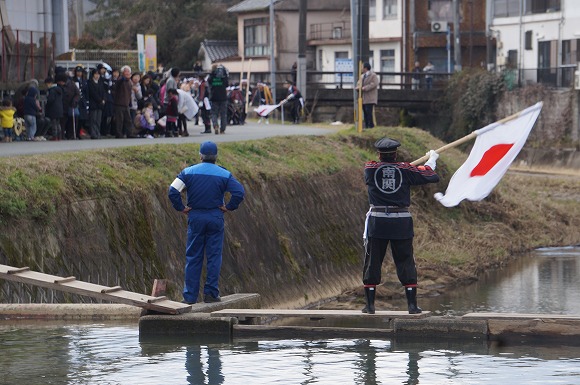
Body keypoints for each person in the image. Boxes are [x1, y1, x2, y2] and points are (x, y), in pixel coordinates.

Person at [362, 137, 440, 315]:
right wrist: (432, 160)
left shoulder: (370, 169)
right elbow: (429, 175)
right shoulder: (405, 169)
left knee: (372, 261)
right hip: (401, 221)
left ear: (379, 154)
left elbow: (381, 168)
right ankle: (412, 306)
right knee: (405, 260)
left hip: (378, 221)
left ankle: (370, 306)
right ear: (395, 153)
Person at [168, 141, 245, 304]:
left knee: (193, 256)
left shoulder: (188, 172)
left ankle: (189, 297)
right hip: (215, 217)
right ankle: (211, 294)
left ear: (200, 156)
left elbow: (173, 191)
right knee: (214, 256)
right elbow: (239, 192)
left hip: (195, 217)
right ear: (216, 157)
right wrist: (229, 207)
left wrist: (181, 207)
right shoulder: (224, 174)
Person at [112, 65, 135, 138]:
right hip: (119, 103)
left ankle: (130, 133)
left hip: (126, 103)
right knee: (120, 120)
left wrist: (130, 103)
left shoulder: (129, 82)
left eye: (128, 71)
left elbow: (129, 93)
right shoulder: (120, 80)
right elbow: (120, 81)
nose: (127, 73)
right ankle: (118, 133)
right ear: (122, 72)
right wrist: (124, 77)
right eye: (126, 71)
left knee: (128, 120)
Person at [208, 63, 229, 134]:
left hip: (214, 97)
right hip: (223, 97)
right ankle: (222, 129)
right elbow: (227, 84)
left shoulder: (211, 75)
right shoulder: (223, 75)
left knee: (214, 113)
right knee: (223, 114)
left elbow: (209, 82)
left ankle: (215, 126)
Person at [357, 62, 379, 129]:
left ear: (365, 68)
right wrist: (358, 87)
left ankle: (371, 126)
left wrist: (365, 88)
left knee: (369, 112)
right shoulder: (362, 76)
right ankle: (366, 126)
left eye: (362, 67)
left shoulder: (373, 75)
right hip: (363, 98)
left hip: (370, 97)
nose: (361, 69)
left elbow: (374, 84)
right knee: (365, 113)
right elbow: (358, 83)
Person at [87, 68, 106, 139]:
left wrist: (104, 99)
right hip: (93, 104)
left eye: (98, 74)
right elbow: (93, 93)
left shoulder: (101, 83)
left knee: (98, 120)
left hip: (100, 104)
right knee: (93, 119)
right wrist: (100, 100)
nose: (97, 76)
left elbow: (104, 92)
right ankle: (93, 133)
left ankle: (98, 132)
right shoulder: (90, 82)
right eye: (96, 74)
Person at [45, 75, 64, 141]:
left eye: (47, 84)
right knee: (58, 124)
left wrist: (47, 105)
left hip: (53, 109)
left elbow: (51, 100)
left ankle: (55, 136)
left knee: (54, 124)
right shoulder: (59, 89)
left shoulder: (52, 90)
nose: (47, 86)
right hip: (59, 109)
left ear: (50, 83)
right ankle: (59, 136)